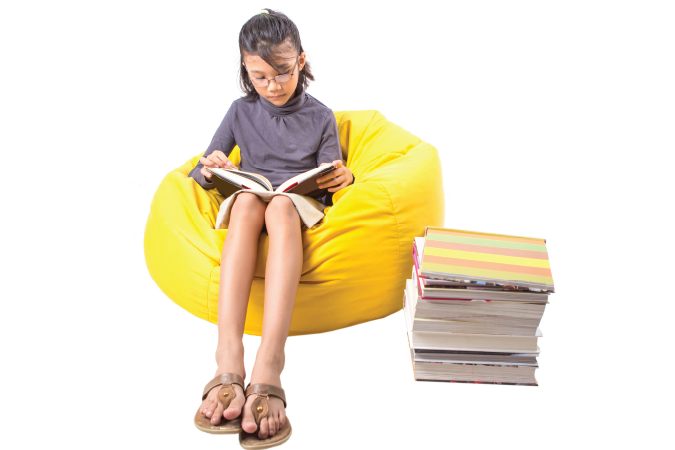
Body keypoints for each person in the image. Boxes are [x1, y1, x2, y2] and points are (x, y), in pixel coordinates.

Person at [187, 8, 354, 449]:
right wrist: (215, 166)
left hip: (293, 203)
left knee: (279, 208)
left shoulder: (321, 117)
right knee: (244, 204)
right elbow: (200, 172)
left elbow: (333, 183)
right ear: (245, 70)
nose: (272, 85)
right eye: (259, 77)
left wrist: (345, 179)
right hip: (250, 194)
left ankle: (270, 362)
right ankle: (228, 356)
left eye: (282, 72)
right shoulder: (239, 112)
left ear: (301, 61)